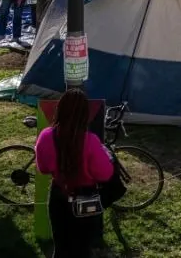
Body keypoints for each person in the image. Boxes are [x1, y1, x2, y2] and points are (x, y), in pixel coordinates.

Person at [35, 88, 114, 258]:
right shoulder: (91, 141)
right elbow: (104, 174)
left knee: (61, 245)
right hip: (86, 198)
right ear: (84, 115)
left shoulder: (46, 136)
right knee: (83, 248)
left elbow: (43, 168)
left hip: (58, 194)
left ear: (60, 110)